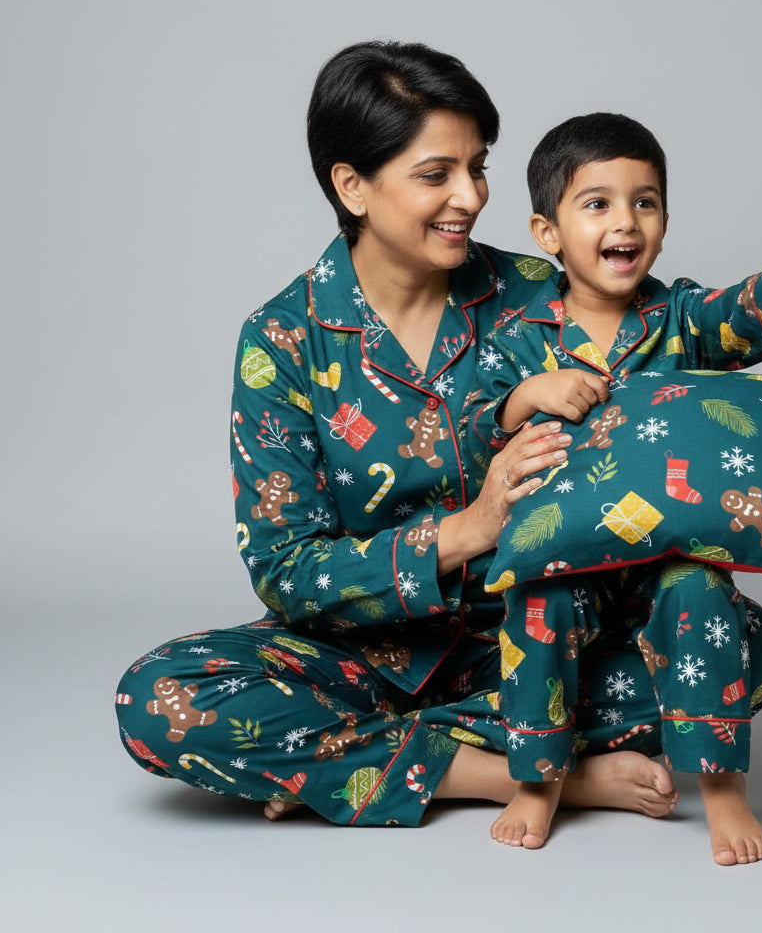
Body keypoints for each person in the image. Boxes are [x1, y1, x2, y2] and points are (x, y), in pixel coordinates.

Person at [115, 43, 698, 837]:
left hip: (531, 642)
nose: (471, 196)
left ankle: (342, 764)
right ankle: (519, 774)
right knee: (159, 698)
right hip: (360, 656)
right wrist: (471, 529)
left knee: (733, 645)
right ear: (351, 185)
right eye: (437, 175)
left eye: (478, 167)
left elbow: (672, 341)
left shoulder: (543, 294)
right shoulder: (283, 341)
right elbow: (286, 571)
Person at [463, 112, 762, 855]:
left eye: (645, 201)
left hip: (668, 547)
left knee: (701, 593)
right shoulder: (520, 338)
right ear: (548, 233)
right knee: (539, 604)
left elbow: (739, 314)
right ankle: (538, 779)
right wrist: (525, 398)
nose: (625, 221)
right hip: (569, 548)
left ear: (664, 220)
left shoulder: (677, 317)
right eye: (596, 203)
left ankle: (723, 787)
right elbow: (478, 426)